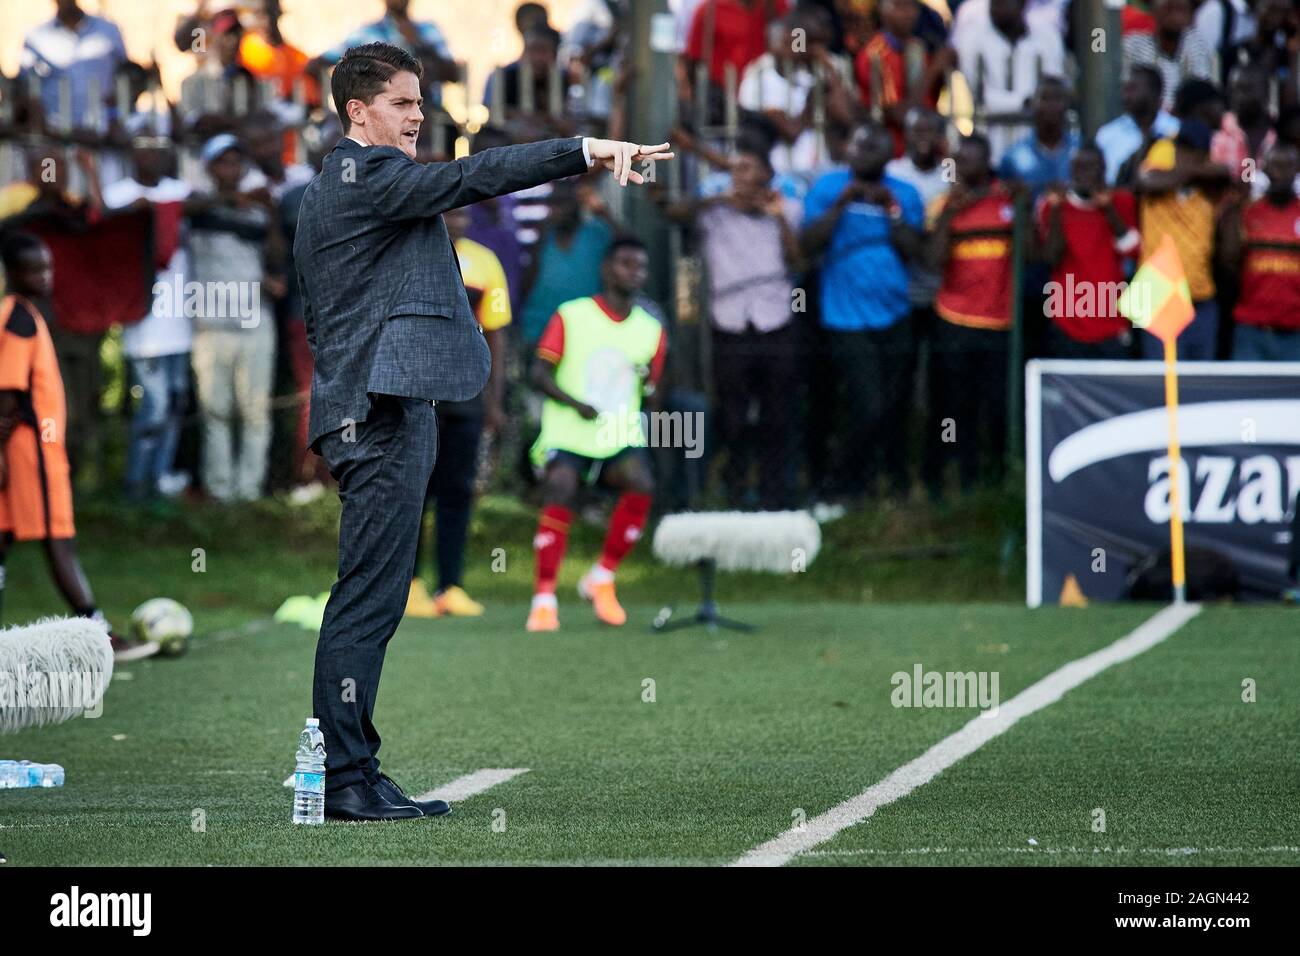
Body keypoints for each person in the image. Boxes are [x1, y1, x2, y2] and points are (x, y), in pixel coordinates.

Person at [293, 41, 671, 821]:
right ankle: (343, 780)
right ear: (357, 112)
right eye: (402, 103)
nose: (418, 115)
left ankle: (356, 768)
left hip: (391, 403)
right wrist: (587, 150)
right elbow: (471, 176)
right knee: (368, 597)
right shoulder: (366, 174)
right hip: (378, 410)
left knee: (379, 595)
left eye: (421, 102)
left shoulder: (366, 183)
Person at [0, 232, 155, 661]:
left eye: (47, 267)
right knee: (58, 537)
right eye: (35, 269)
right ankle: (98, 633)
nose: (45, 276)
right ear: (12, 273)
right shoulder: (19, 318)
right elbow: (8, 393)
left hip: (27, 446)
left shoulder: (24, 312)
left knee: (5, 537)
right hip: (31, 448)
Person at [526, 237, 667, 633]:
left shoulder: (652, 330)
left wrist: (649, 390)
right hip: (570, 431)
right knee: (561, 486)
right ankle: (544, 598)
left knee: (641, 483)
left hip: (617, 434)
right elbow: (539, 374)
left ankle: (601, 577)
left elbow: (653, 392)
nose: (634, 271)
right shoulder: (572, 315)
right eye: (625, 263)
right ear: (606, 269)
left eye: (640, 265)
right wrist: (575, 404)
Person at [658, 143, 804, 508]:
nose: (739, 176)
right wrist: (720, 199)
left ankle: (776, 494)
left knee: (777, 413)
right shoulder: (715, 212)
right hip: (729, 323)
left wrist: (778, 216)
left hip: (776, 320)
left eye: (748, 168)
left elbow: (799, 262)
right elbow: (675, 212)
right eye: (734, 169)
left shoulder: (789, 207)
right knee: (734, 414)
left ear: (767, 176)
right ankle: (736, 488)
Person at [801, 121, 925, 501]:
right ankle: (839, 482)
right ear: (847, 151)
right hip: (844, 315)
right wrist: (842, 204)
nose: (866, 152)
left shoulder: (904, 192)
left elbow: (915, 251)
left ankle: (886, 481)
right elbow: (808, 244)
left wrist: (891, 211)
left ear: (890, 154)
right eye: (860, 144)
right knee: (866, 405)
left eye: (876, 146)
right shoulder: (827, 187)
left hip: (895, 311)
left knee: (893, 405)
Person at [406, 205, 512, 618]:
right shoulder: (411, 253)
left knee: (458, 490)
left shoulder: (485, 262)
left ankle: (450, 587)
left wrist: (494, 399)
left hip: (466, 391)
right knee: (415, 490)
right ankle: (409, 585)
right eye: (451, 211)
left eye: (465, 213)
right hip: (419, 389)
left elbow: (497, 333)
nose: (459, 219)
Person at [185, 133, 284, 502]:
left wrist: (269, 210)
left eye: (235, 161)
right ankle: (220, 490)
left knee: (255, 411)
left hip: (255, 318)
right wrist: (234, 200)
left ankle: (249, 490)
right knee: (215, 410)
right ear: (210, 167)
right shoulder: (197, 201)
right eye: (223, 161)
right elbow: (184, 211)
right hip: (211, 323)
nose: (230, 168)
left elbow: (275, 254)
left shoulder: (258, 209)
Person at [100, 137, 193, 502]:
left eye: (159, 148)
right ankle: (135, 484)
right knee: (151, 408)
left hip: (180, 324)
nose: (153, 155)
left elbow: (202, 203)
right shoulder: (119, 195)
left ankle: (160, 478)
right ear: (131, 154)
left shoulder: (179, 191)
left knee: (174, 404)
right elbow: (102, 225)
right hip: (143, 326)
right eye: (144, 148)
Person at [927, 134, 1016, 495]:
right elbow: (933, 261)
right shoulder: (943, 204)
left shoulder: (1008, 200)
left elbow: (1036, 254)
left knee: (996, 405)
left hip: (999, 322)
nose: (963, 167)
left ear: (986, 161)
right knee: (954, 406)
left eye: (970, 160)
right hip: (954, 319)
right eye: (958, 161)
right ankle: (958, 476)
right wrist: (951, 213)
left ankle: (998, 477)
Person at [1134, 118, 1228, 359]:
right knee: (1160, 383)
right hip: (1158, 296)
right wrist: (1193, 170)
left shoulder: (1210, 191)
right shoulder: (1157, 186)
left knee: (1198, 386)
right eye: (1179, 149)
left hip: (1201, 301)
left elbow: (1241, 172)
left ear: (1203, 154)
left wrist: (1198, 171)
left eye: (1189, 150)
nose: (1181, 154)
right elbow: (1144, 180)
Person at [1038, 143, 1141, 358]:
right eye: (1078, 168)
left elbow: (1132, 250)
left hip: (1111, 320)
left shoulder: (1121, 201)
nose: (1084, 174)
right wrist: (1057, 210)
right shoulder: (1054, 206)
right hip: (1067, 321)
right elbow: (1051, 257)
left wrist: (1108, 209)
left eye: (1091, 167)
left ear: (1103, 169)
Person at [1220, 143, 1300, 360]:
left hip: (1295, 332)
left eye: (1287, 167)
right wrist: (1235, 205)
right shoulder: (1249, 212)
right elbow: (1229, 260)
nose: (1280, 173)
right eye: (1275, 166)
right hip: (1252, 330)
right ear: (1265, 171)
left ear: (1296, 170)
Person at [1122, 0, 1215, 112]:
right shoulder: (1132, 47)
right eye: (1168, 5)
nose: (1176, 6)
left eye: (1181, 7)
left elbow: (1202, 98)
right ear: (1152, 7)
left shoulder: (1199, 46)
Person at [1095, 66, 1180, 185]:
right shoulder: (1107, 134)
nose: (1126, 96)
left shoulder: (1176, 129)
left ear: (1155, 92)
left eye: (1133, 89)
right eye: (1124, 89)